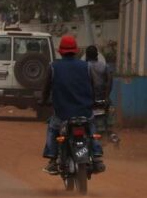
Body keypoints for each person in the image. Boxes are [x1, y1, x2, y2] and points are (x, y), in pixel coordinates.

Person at [40, 36, 105, 174]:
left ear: (60, 52)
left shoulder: (53, 67)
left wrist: (43, 100)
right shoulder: (86, 66)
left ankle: (52, 159)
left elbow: (46, 87)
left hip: (62, 113)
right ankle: (97, 157)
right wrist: (93, 101)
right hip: (84, 111)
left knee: (52, 128)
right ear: (75, 51)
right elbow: (94, 86)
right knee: (92, 129)